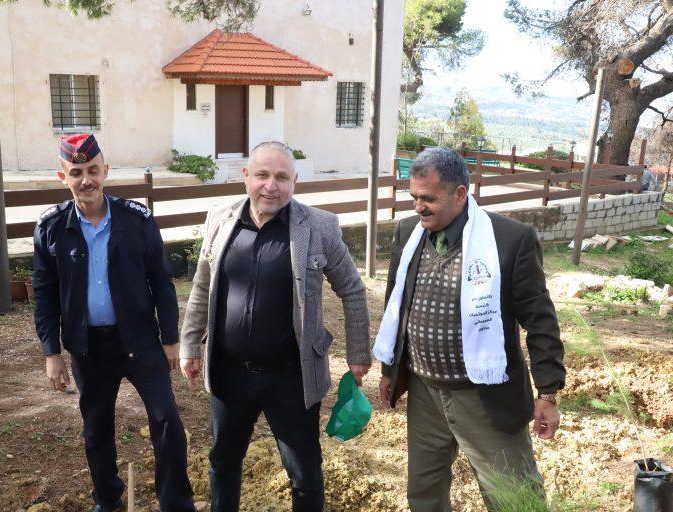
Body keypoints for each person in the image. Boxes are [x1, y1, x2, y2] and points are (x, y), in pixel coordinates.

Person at [179, 141, 371, 512]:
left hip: (291, 377)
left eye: (282, 177)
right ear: (246, 176)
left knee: (304, 473)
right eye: (262, 175)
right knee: (223, 462)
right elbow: (202, 286)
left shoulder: (319, 227)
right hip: (229, 373)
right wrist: (190, 345)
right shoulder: (220, 219)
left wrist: (359, 353)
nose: (271, 186)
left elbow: (352, 288)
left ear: (295, 181)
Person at [374, 147, 565, 512]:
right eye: (414, 197)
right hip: (425, 392)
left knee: (514, 499)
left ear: (460, 194)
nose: (418, 207)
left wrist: (548, 391)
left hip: (485, 397)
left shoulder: (509, 240)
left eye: (429, 199)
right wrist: (389, 369)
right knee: (424, 493)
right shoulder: (408, 233)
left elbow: (540, 319)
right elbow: (396, 304)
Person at [33, 133, 194, 512]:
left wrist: (170, 338)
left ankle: (175, 502)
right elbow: (45, 293)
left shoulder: (137, 220)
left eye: (93, 170)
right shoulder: (51, 227)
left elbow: (161, 280)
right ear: (63, 177)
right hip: (88, 348)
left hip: (139, 340)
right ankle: (107, 500)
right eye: (76, 173)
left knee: (167, 421)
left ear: (105, 171)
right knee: (96, 429)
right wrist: (51, 353)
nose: (86, 180)